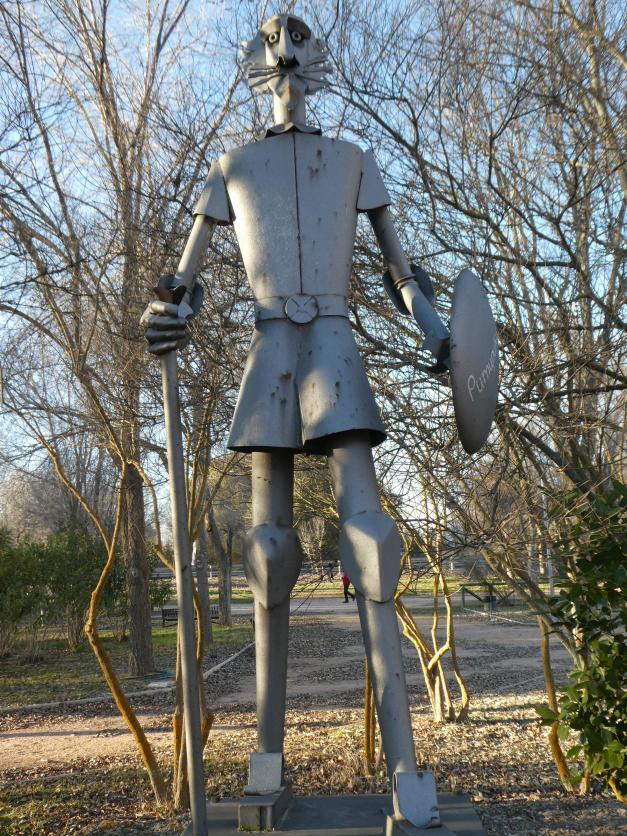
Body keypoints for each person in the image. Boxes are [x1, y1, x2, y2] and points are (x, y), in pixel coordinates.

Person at [141, 13, 450, 829]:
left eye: (296, 54)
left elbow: (400, 271)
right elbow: (183, 281)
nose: (286, 68)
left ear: (314, 65)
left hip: (334, 343)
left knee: (369, 538)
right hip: (271, 344)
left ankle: (407, 774)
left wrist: (437, 331)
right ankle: (265, 764)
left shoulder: (352, 160)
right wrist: (165, 315)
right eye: (274, 56)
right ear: (259, 67)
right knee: (267, 547)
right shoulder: (233, 167)